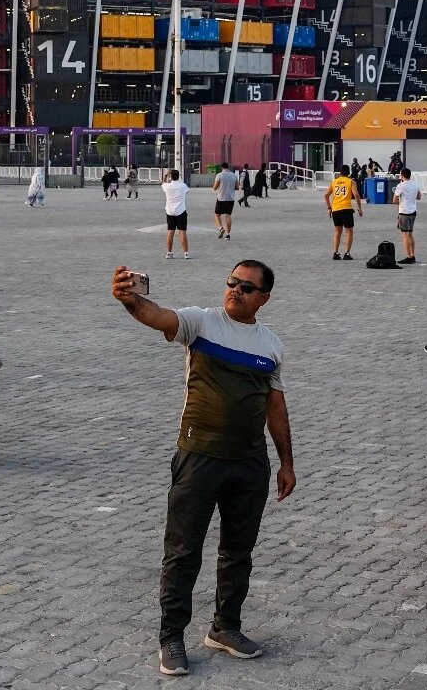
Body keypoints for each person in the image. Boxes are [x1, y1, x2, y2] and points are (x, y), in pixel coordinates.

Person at [111, 259, 294, 678]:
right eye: (231, 282)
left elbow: (276, 406)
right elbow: (155, 315)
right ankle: (171, 638)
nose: (235, 290)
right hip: (199, 457)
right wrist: (128, 298)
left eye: (246, 287)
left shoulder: (271, 345)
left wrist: (286, 462)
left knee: (238, 553)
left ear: (263, 298)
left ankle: (225, 628)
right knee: (182, 552)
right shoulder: (200, 323)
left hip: (250, 463)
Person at [323, 164, 361, 261]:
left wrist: (329, 207)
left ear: (340, 173)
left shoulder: (334, 182)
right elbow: (356, 195)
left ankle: (335, 252)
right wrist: (360, 208)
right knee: (349, 231)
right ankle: (347, 253)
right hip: (346, 209)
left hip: (335, 209)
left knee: (337, 231)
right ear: (348, 173)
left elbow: (326, 195)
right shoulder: (351, 182)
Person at [393, 167, 422, 265]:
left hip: (404, 211)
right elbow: (419, 197)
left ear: (402, 175)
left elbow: (394, 200)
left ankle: (408, 256)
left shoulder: (400, 186)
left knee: (405, 234)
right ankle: (413, 255)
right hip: (413, 211)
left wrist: (399, 202)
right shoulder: (415, 184)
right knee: (410, 233)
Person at [162, 169, 191, 259]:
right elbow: (187, 191)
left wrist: (166, 176)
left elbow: (163, 183)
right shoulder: (183, 186)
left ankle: (169, 252)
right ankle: (186, 253)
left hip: (170, 211)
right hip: (181, 211)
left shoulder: (167, 186)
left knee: (170, 232)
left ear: (171, 177)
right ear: (179, 176)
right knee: (182, 232)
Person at [212, 163, 239, 240]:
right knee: (228, 215)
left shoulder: (219, 175)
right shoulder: (234, 175)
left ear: (222, 168)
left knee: (217, 214)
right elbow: (237, 187)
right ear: (228, 167)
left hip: (221, 198)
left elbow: (215, 187)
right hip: (230, 198)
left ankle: (221, 228)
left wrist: (215, 186)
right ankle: (228, 234)